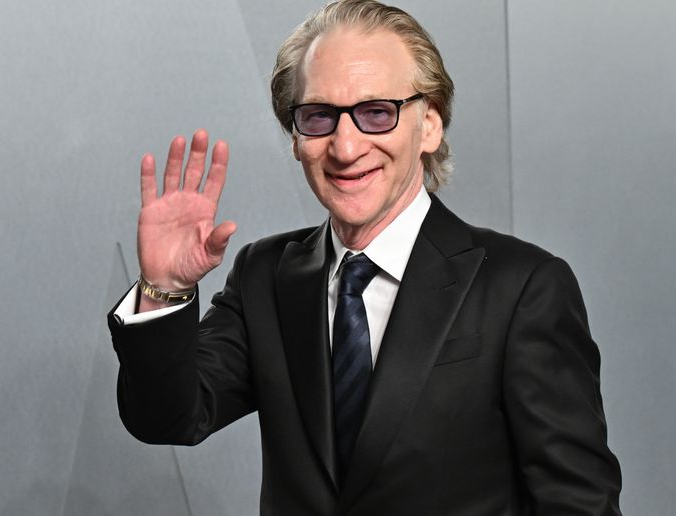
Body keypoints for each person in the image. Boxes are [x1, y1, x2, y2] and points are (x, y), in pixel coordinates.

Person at [108, 1, 622, 514]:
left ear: (430, 126)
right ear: (296, 138)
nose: (346, 146)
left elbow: (578, 503)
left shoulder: (523, 288)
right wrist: (164, 289)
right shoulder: (264, 277)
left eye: (377, 113)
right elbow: (168, 417)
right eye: (319, 116)